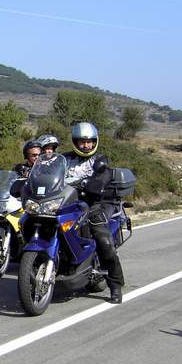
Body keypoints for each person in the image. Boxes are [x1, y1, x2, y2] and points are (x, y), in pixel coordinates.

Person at [64, 122, 125, 304]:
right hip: (66, 203)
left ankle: (115, 284)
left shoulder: (100, 160)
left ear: (95, 141)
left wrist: (94, 184)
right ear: (75, 142)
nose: (86, 145)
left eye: (89, 142)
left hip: (92, 205)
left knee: (103, 240)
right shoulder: (64, 158)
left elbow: (102, 177)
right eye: (82, 142)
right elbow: (49, 170)